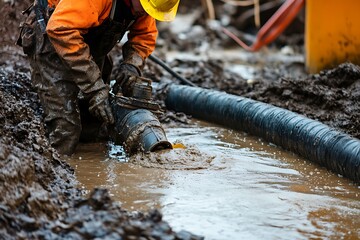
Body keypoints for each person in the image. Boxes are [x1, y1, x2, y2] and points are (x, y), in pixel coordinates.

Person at [17, 0, 180, 155]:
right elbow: (61, 29)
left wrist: (131, 66)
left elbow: (144, 36)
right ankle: (59, 167)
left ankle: (90, 163)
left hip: (87, 41)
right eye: (146, 7)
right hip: (53, 35)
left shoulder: (144, 7)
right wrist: (94, 88)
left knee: (96, 118)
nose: (145, 13)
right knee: (66, 128)